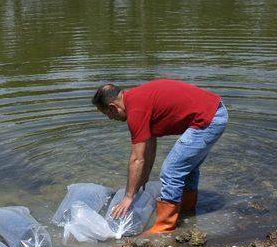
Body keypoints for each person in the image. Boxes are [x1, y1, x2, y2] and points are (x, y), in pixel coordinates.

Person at [92, 79, 228, 234]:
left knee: (171, 171)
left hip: (208, 119)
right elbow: (148, 148)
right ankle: (187, 208)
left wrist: (128, 197)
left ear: (113, 107)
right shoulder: (137, 99)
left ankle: (165, 226)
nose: (110, 118)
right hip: (215, 112)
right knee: (187, 167)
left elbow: (137, 159)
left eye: (107, 114)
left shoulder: (136, 111)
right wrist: (143, 178)